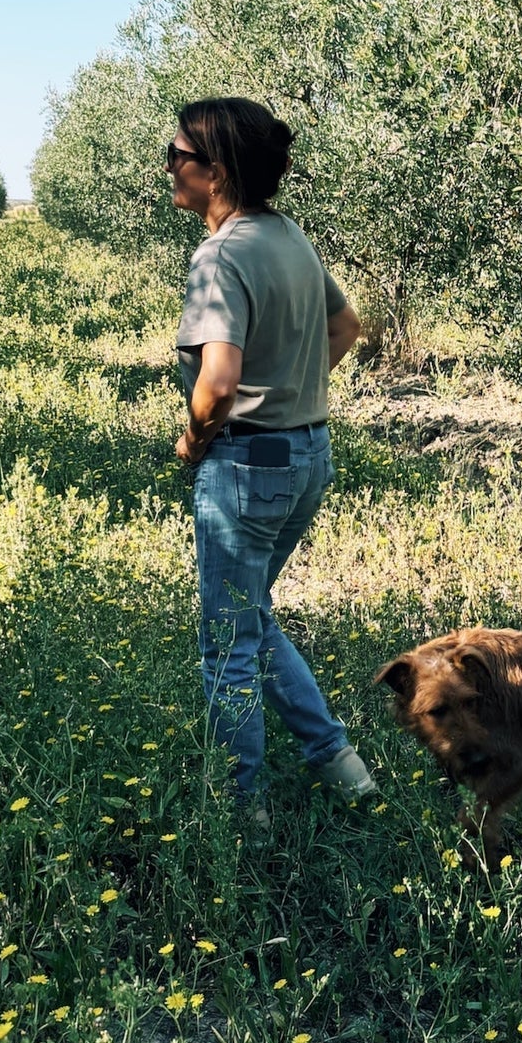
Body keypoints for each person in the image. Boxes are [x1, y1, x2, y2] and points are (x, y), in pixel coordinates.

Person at [169, 96, 377, 828]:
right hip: (306, 456)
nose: (169, 168)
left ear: (216, 173)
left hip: (246, 466)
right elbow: (346, 326)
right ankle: (340, 765)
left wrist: (195, 439)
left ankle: (238, 812)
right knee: (251, 616)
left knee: (227, 644)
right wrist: (295, 388)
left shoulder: (220, 255)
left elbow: (218, 382)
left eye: (178, 157)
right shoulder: (289, 237)